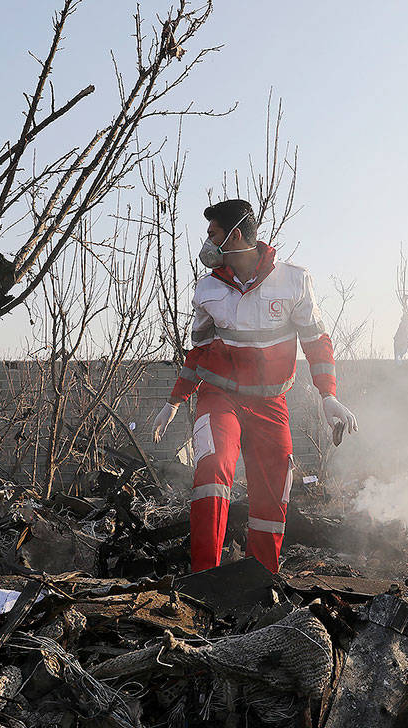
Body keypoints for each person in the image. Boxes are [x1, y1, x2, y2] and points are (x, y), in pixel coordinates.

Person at [152, 199, 357, 573]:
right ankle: (205, 579)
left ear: (237, 234)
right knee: (212, 470)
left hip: (269, 402)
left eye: (213, 234)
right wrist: (174, 402)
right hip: (219, 397)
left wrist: (328, 395)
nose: (207, 244)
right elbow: (197, 352)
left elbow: (316, 340)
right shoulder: (207, 290)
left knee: (275, 485)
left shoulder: (293, 281)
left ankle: (260, 580)